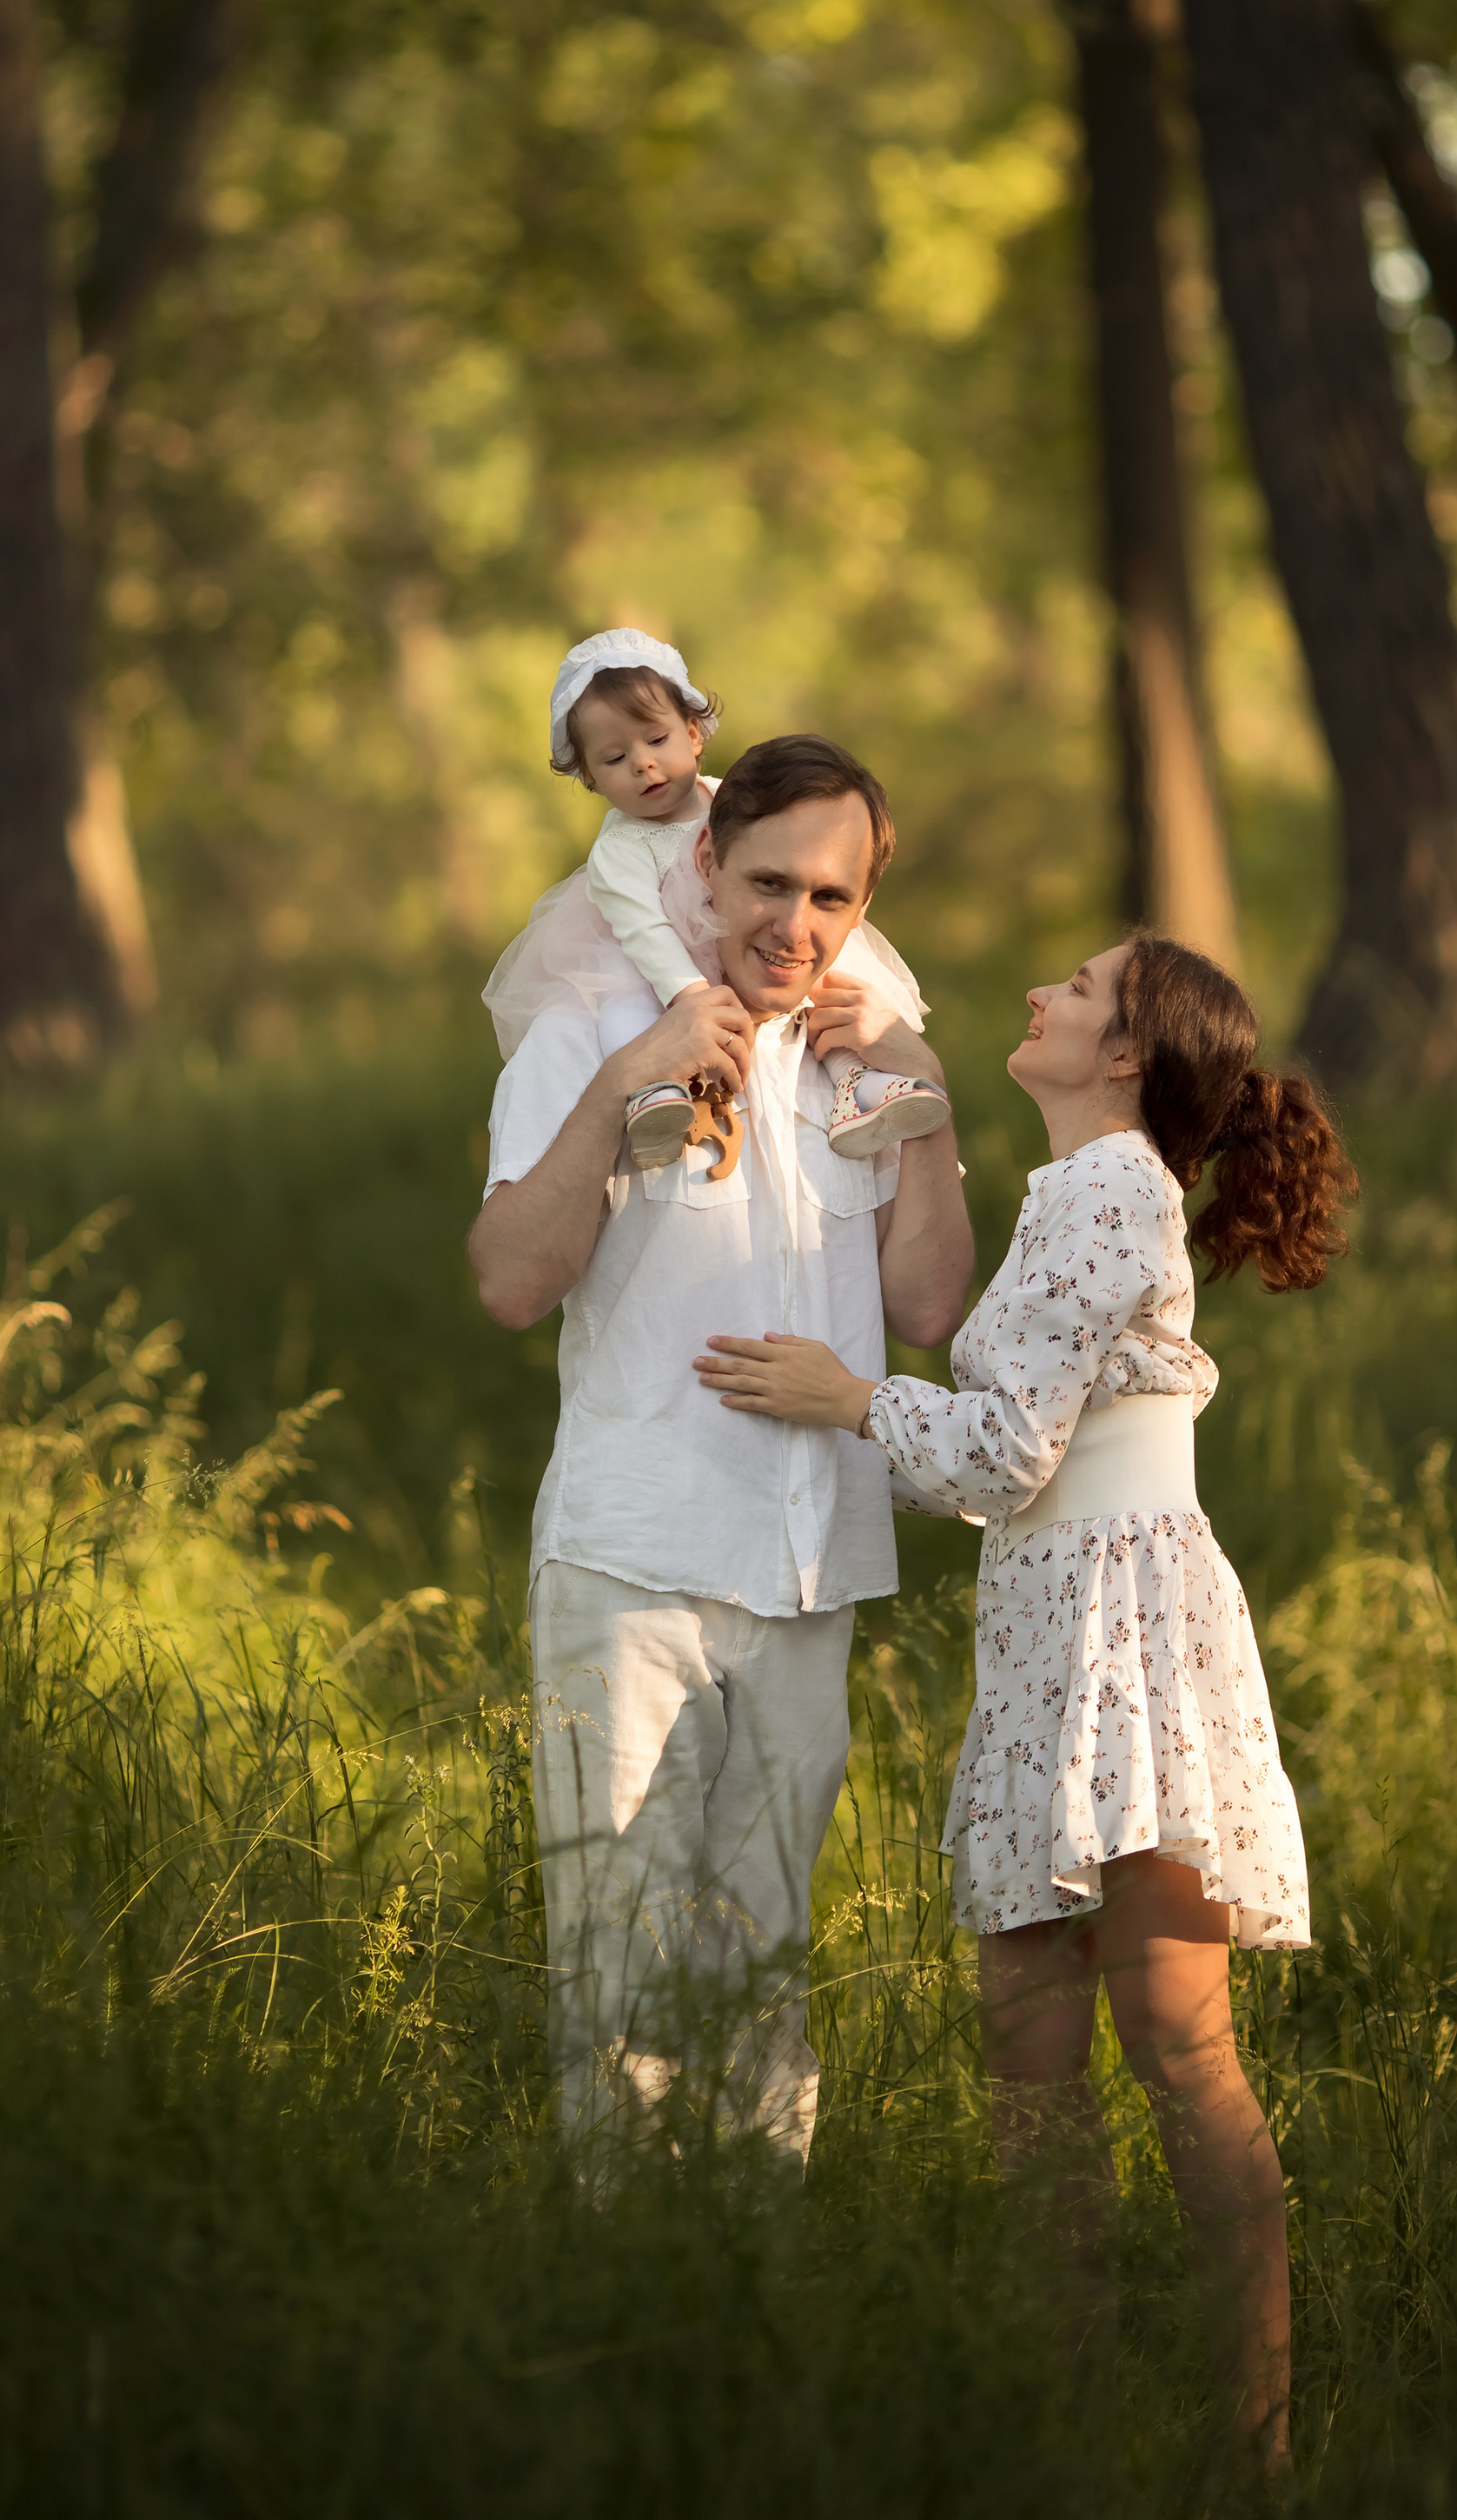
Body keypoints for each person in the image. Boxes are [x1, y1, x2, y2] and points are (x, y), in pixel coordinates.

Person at [697, 935, 1353, 2470]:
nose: (1044, 990)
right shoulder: (1075, 1188)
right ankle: (1072, 2428)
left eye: (1081, 984)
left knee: (1174, 2040)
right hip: (1053, 1632)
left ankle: (1255, 2446)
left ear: (1125, 1054)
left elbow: (1004, 1454)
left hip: (1129, 1633)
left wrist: (848, 1397)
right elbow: (1009, 1445)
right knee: (1030, 2056)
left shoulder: (1113, 1187)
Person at [469, 731, 975, 2158]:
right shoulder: (592, 1025)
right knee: (622, 1981)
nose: (795, 924)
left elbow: (929, 1306)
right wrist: (631, 1074)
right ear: (704, 857)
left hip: (811, 1576)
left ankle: (759, 2267)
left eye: (832, 896)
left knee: (766, 1973)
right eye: (767, 882)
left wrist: (925, 1097)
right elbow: (508, 1281)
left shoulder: (868, 1058)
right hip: (636, 1561)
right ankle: (627, 2272)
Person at [481, 626, 950, 1166]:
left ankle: (857, 1085)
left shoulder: (731, 798)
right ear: (590, 778)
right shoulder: (621, 849)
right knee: (623, 1009)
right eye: (614, 758)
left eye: (657, 740)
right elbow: (646, 932)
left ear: (693, 734)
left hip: (750, 951)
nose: (643, 763)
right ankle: (655, 1094)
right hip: (660, 970)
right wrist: (689, 997)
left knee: (833, 999)